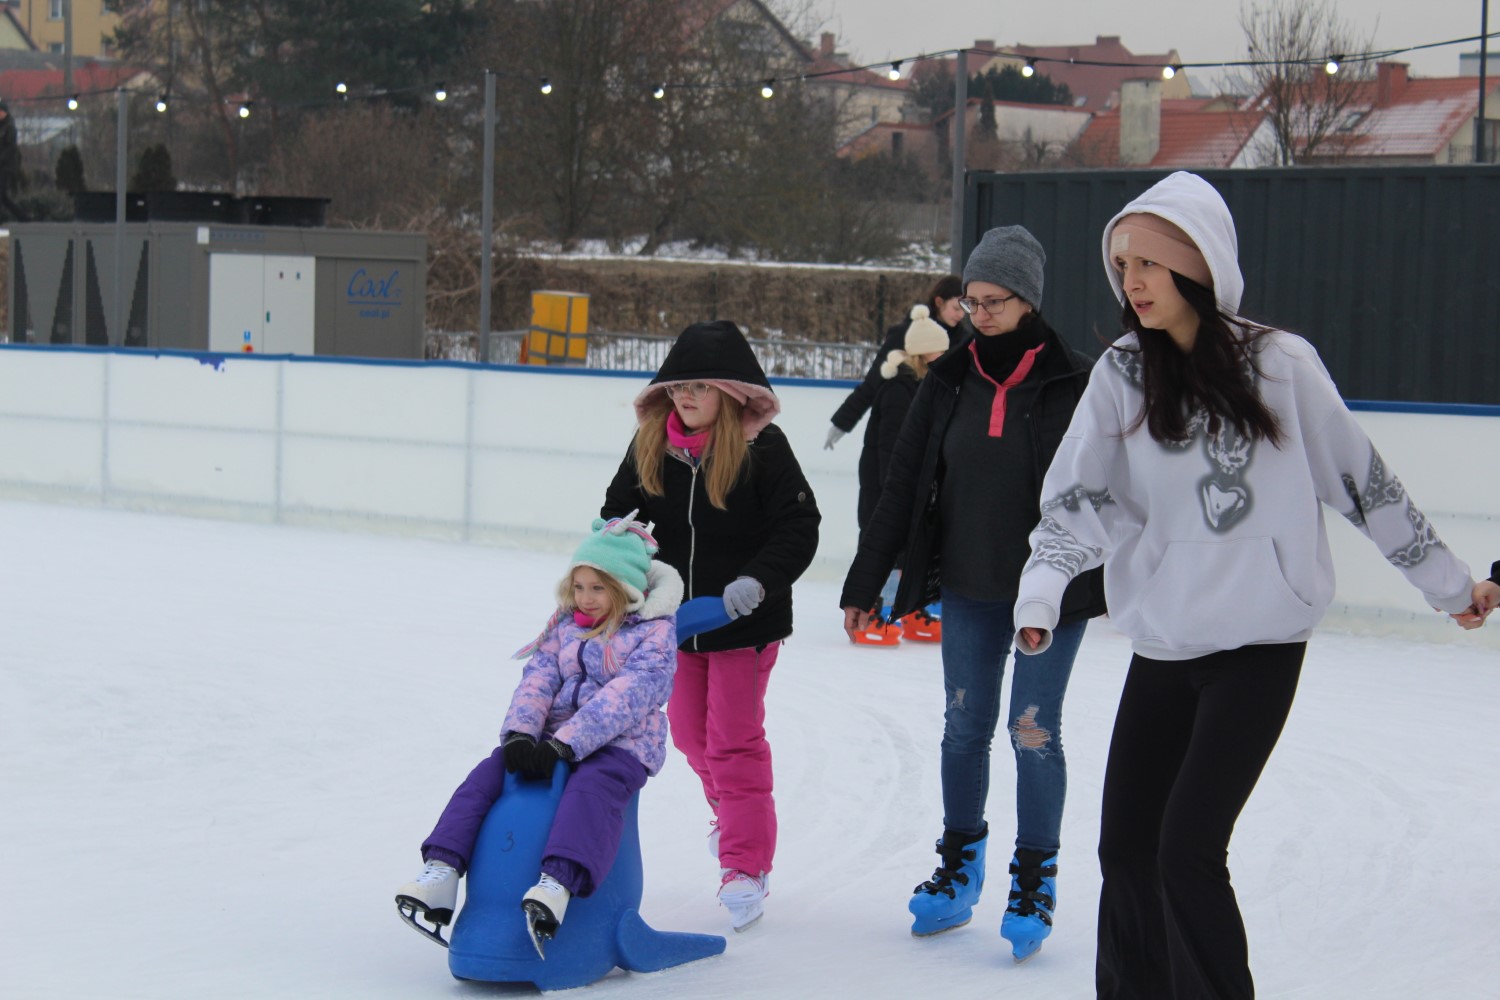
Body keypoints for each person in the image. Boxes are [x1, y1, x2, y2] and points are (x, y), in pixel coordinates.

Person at [1010, 170, 1482, 999]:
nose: (1133, 283)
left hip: (1259, 648)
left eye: (1150, 263)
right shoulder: (1123, 372)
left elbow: (1364, 483)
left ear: (1200, 264)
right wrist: (1042, 592)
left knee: (1186, 850)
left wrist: (1450, 587)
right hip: (1164, 646)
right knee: (1126, 849)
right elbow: (1077, 501)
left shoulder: (1280, 364)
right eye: (1122, 265)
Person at [839, 226, 1105, 960]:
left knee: (1032, 729)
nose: (977, 314)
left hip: (1051, 592)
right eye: (971, 301)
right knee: (964, 726)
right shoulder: (948, 380)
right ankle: (959, 869)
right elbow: (902, 483)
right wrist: (867, 580)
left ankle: (1034, 878)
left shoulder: (1076, 383)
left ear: (1028, 302)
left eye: (993, 302)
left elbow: (1103, 494)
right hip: (967, 583)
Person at [601, 320, 820, 932]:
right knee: (692, 739)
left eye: (698, 387)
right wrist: (620, 550)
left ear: (730, 391)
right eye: (676, 387)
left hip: (743, 622)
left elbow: (798, 526)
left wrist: (756, 581)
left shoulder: (762, 447)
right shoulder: (651, 442)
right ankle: (733, 814)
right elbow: (618, 512)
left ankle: (745, 865)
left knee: (733, 742)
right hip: (673, 621)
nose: (685, 398)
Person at [394, 514, 682, 955]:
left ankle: (556, 885)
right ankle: (442, 871)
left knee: (591, 790)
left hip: (622, 745)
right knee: (486, 777)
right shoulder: (566, 625)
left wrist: (568, 742)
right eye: (578, 586)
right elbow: (539, 678)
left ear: (625, 589)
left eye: (598, 588)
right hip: (554, 739)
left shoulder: (654, 632)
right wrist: (521, 735)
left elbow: (630, 695)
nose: (585, 598)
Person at [825, 275, 964, 530]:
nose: (961, 315)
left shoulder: (963, 341)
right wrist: (843, 421)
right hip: (893, 469)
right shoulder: (905, 344)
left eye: (965, 308)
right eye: (956, 307)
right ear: (939, 302)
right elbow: (873, 381)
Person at [851, 303, 953, 645]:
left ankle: (908, 611)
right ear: (923, 355)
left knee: (911, 550)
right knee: (884, 548)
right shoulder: (898, 391)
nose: (945, 359)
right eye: (940, 353)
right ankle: (871, 613)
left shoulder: (922, 387)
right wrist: (894, 494)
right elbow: (890, 450)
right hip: (885, 489)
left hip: (907, 487)